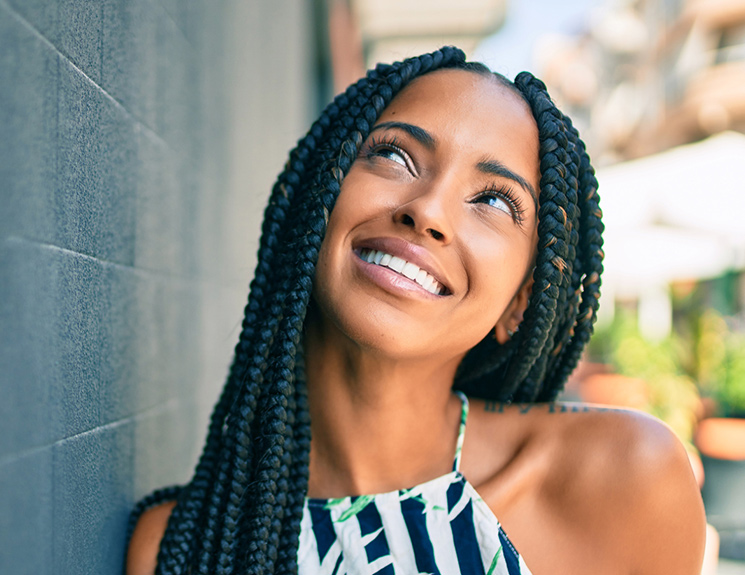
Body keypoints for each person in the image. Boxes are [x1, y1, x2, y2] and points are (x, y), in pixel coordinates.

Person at [125, 47, 706, 575]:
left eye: (494, 200)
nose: (427, 210)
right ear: (316, 201)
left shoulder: (623, 484)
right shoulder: (183, 549)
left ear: (519, 304)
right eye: (395, 156)